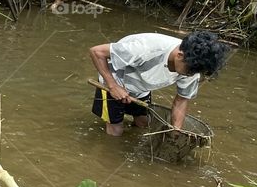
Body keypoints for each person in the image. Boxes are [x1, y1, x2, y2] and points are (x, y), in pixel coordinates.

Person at [88, 31, 228, 136]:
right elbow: (97, 52)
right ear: (179, 56)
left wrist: (176, 131)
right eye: (189, 71)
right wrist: (113, 86)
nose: (191, 75)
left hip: (143, 84)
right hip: (115, 79)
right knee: (116, 130)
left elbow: (182, 100)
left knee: (143, 123)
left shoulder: (193, 67)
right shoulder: (145, 49)